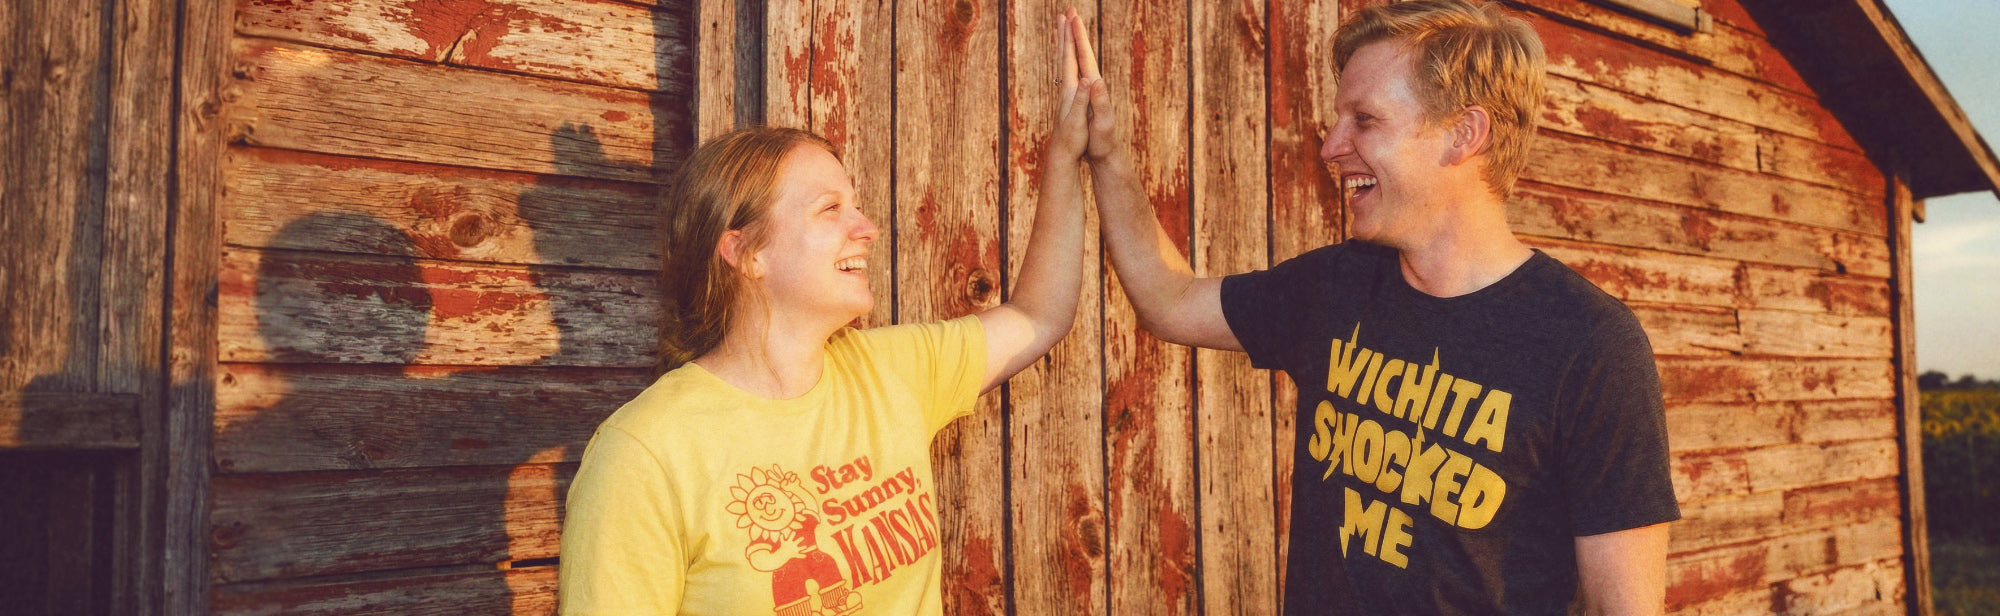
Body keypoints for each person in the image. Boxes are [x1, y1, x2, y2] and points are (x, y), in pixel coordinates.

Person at [1081, 0, 1679, 613]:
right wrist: (1105, 154)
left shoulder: (1589, 343)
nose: (1331, 147)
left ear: (1463, 134)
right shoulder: (1337, 287)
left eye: (1364, 120)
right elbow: (1169, 300)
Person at [556, 10, 1106, 616]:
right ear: (745, 252)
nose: (866, 229)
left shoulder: (891, 372)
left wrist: (1062, 159)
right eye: (829, 209)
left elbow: (1039, 315)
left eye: (857, 205)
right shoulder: (645, 453)